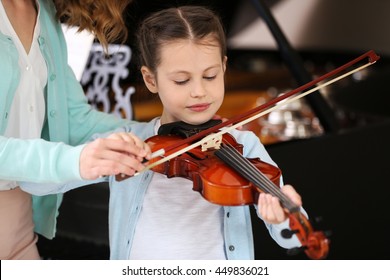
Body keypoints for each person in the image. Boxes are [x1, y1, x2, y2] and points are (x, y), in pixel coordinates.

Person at [22, 5, 307, 260]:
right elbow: (35, 185)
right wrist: (85, 161)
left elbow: (294, 236)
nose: (199, 91)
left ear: (223, 67)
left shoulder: (243, 144)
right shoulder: (131, 142)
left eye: (210, 76)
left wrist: (283, 217)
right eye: (181, 80)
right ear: (151, 79)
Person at [0, 0, 151, 260]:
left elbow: (76, 118)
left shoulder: (42, 10)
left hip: (17, 223)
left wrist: (162, 132)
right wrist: (73, 160)